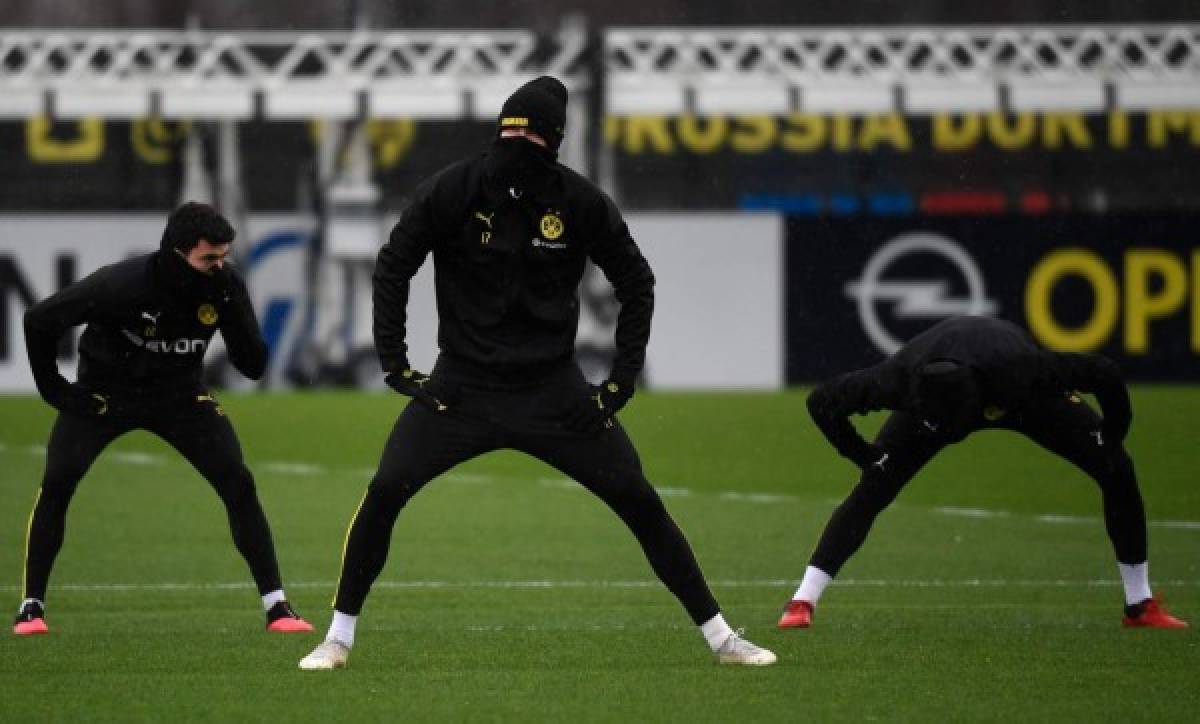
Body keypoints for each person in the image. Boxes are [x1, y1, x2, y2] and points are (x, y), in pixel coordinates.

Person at [299, 76, 775, 669]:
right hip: (461, 389)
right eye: (511, 135)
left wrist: (621, 379)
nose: (517, 149)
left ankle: (722, 638)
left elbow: (636, 283)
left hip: (554, 392)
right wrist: (393, 361)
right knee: (385, 490)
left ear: (549, 141)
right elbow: (394, 264)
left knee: (637, 499)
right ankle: (338, 638)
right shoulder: (454, 190)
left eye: (527, 135)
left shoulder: (577, 201)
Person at [15, 202, 312, 636]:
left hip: (179, 396)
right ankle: (31, 608)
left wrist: (235, 308)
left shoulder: (223, 286)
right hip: (106, 394)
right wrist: (56, 391)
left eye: (223, 257)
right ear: (176, 254)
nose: (218, 267)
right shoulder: (120, 284)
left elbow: (254, 366)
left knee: (237, 481)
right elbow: (38, 319)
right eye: (208, 259)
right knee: (59, 480)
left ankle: (278, 608)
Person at [778, 315, 1187, 630]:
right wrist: (864, 456)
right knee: (874, 487)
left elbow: (1104, 372)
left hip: (1019, 398)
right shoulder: (898, 380)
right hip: (950, 384)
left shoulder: (1023, 373)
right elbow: (821, 402)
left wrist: (1112, 436)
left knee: (1118, 469)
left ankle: (1140, 604)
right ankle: (802, 601)